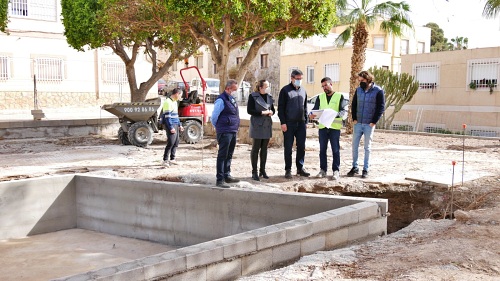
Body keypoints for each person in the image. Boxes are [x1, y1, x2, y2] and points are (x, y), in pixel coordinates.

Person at [347, 70, 385, 179]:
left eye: (362, 80)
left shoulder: (378, 91)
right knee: (354, 146)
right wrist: (354, 118)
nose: (360, 82)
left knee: (367, 147)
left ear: (368, 79)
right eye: (359, 80)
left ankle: (365, 169)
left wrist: (374, 121)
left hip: (369, 124)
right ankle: (355, 167)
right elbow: (353, 105)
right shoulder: (358, 90)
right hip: (358, 123)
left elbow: (381, 107)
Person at [309, 77, 348, 180]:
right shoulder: (320, 97)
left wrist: (334, 115)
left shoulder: (339, 96)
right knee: (322, 150)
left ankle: (336, 171)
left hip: (334, 128)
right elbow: (315, 110)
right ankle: (323, 170)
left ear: (331, 84)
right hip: (323, 127)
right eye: (322, 86)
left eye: (326, 85)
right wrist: (311, 114)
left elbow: (343, 111)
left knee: (335, 150)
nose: (324, 88)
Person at [278, 69, 310, 179]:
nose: (299, 81)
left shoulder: (303, 91)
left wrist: (306, 122)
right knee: (288, 147)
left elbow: (305, 107)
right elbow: (281, 108)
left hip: (301, 124)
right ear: (292, 78)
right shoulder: (285, 90)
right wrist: (283, 122)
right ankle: (288, 169)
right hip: (289, 124)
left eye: (301, 79)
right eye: (297, 79)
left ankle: (300, 168)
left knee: (301, 146)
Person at [211, 79, 241, 188]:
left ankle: (227, 175)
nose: (235, 92)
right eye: (234, 90)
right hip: (225, 131)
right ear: (228, 89)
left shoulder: (231, 99)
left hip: (232, 130)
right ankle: (220, 179)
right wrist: (219, 127)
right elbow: (214, 117)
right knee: (222, 155)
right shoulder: (221, 100)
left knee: (229, 154)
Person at [247, 80, 275, 181]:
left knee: (264, 149)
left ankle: (262, 170)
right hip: (257, 124)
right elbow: (249, 110)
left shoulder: (269, 97)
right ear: (260, 88)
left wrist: (272, 112)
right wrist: (262, 112)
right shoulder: (253, 96)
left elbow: (273, 109)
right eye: (266, 86)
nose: (268, 88)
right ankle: (254, 172)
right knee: (255, 148)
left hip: (267, 124)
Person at [161, 88, 184, 167]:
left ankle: (172, 159)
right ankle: (165, 160)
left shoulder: (175, 102)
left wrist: (179, 125)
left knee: (176, 142)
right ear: (177, 94)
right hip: (170, 124)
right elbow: (167, 117)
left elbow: (176, 115)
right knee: (170, 142)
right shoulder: (167, 102)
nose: (181, 96)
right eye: (180, 95)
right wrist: (171, 127)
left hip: (175, 124)